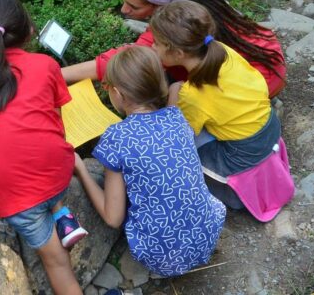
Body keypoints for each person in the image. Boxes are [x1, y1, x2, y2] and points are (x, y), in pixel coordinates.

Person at [0, 0, 86, 295]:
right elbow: (55, 119)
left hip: (19, 199)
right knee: (48, 160)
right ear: (29, 33)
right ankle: (61, 212)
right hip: (60, 171)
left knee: (57, 264)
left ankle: (56, 217)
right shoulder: (46, 65)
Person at [72, 46, 225, 280]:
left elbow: (113, 218)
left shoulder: (118, 137)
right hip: (208, 234)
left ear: (118, 94)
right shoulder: (176, 117)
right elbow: (176, 90)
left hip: (161, 257)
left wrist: (81, 169)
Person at [61, 0, 286, 96]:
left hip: (260, 82)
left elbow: (130, 58)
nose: (123, 10)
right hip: (265, 58)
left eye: (134, 7)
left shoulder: (177, 23)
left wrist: (58, 74)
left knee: (171, 88)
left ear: (161, 5)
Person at [148, 0, 282, 209]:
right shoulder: (223, 51)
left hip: (242, 153)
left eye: (156, 43)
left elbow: (177, 140)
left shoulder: (193, 95)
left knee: (179, 162)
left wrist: (173, 96)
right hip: (269, 127)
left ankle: (229, 193)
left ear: (178, 53)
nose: (152, 46)